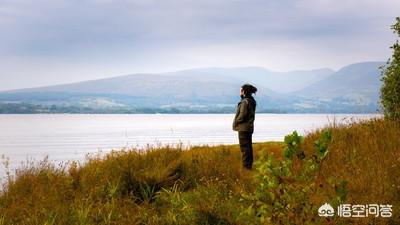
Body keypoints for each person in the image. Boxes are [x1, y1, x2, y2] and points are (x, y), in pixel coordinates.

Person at [232, 84, 257, 169]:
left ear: (244, 92)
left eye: (241, 90)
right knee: (248, 148)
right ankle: (249, 166)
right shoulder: (251, 101)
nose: (240, 92)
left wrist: (236, 121)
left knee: (244, 149)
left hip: (243, 128)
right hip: (248, 128)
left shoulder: (245, 102)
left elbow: (242, 115)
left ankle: (246, 168)